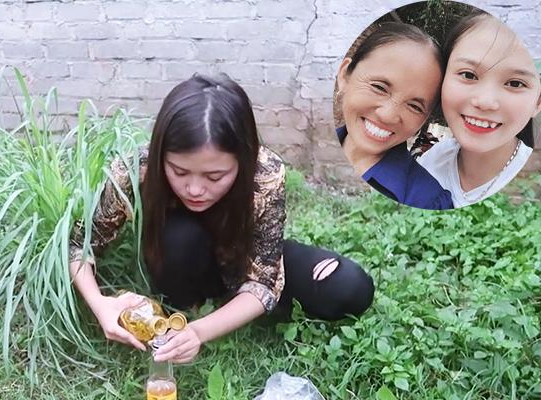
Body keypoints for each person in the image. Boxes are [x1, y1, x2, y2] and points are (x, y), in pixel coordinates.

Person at [69, 73, 375, 364]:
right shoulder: (137, 167)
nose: (194, 189)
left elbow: (263, 281)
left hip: (242, 258)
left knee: (348, 286)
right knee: (181, 237)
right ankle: (192, 303)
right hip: (182, 262)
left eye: (214, 176)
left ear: (243, 159)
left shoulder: (265, 173)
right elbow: (78, 244)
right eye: (179, 172)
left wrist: (197, 332)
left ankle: (232, 305)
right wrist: (101, 304)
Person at [417, 11, 541, 207]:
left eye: (515, 83)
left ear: (538, 103)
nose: (485, 102)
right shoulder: (431, 162)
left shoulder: (530, 190)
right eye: (468, 75)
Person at [335, 22, 454, 210]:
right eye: (379, 87)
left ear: (425, 119)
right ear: (344, 75)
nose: (387, 116)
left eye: (414, 106)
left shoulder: (428, 201)